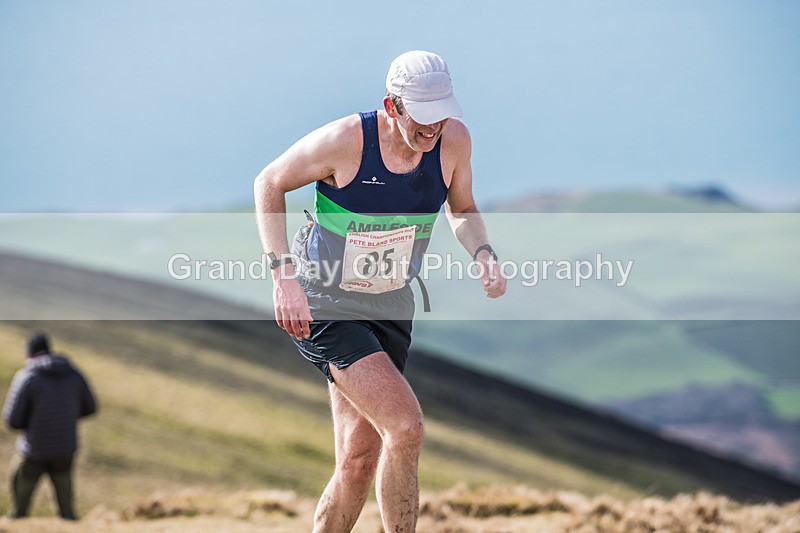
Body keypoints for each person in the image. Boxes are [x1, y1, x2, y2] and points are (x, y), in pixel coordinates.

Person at [254, 50, 506, 532]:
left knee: (357, 461)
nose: (432, 131)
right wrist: (282, 276)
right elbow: (269, 182)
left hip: (391, 303)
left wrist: (483, 253)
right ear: (393, 106)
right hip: (325, 302)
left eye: (442, 116)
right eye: (423, 119)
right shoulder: (348, 140)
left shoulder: (453, 140)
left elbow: (463, 206)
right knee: (405, 428)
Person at [3, 332, 98, 520]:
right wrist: (66, 418)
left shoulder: (27, 377)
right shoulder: (73, 374)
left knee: (19, 505)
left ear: (29, 353)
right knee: (66, 509)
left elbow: (12, 420)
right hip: (65, 448)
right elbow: (91, 407)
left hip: (33, 450)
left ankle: (16, 521)